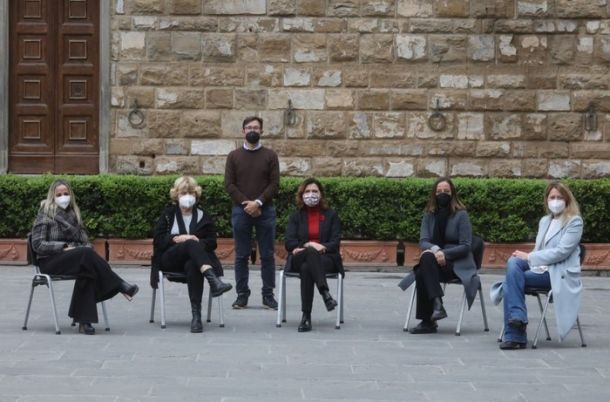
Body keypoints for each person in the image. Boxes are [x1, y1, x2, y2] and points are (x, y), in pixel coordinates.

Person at [31, 179, 139, 335]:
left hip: (77, 259)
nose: (63, 197)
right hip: (50, 261)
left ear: (71, 195)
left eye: (66, 193)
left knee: (87, 268)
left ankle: (84, 322)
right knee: (85, 255)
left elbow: (86, 243)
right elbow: (38, 244)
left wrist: (77, 249)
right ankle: (119, 285)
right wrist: (64, 247)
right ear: (52, 197)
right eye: (59, 194)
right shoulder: (45, 215)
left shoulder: (74, 215)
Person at [499, 181, 583, 350]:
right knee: (513, 262)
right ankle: (517, 318)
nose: (555, 201)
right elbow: (540, 249)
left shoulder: (574, 222)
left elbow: (561, 252)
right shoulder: (545, 221)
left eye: (560, 197)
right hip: (539, 268)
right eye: (552, 197)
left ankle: (515, 335)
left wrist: (529, 257)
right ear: (546, 200)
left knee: (511, 282)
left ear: (567, 200)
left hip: (557, 273)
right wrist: (528, 257)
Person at [152, 176, 232, 333]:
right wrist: (176, 238)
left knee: (193, 265)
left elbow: (212, 242)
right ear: (176, 195)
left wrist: (198, 241)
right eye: (183, 193)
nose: (187, 196)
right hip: (171, 259)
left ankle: (196, 317)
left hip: (195, 263)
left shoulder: (203, 215)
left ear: (196, 195)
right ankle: (213, 280)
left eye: (191, 193)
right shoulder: (168, 214)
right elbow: (158, 240)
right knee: (189, 242)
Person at [398, 177, 479, 334]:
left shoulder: (461, 215)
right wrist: (436, 250)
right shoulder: (429, 215)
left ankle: (428, 320)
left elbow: (466, 246)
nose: (442, 194)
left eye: (446, 191)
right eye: (439, 191)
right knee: (426, 260)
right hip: (433, 262)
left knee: (422, 269)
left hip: (456, 265)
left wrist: (444, 253)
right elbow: (423, 241)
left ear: (452, 193)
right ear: (434, 194)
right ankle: (437, 305)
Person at [225, 116, 280, 310]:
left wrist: (258, 203)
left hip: (266, 210)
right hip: (240, 211)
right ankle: (242, 295)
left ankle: (268, 296)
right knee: (241, 255)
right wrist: (246, 204)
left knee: (267, 255)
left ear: (261, 131)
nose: (252, 130)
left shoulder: (270, 156)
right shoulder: (233, 156)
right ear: (243, 131)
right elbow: (229, 184)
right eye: (249, 127)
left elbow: (275, 184)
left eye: (256, 128)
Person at [284, 178, 344, 332]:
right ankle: (325, 293)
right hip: (299, 257)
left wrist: (322, 247)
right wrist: (308, 245)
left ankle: (306, 317)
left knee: (307, 268)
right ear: (302, 195)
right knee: (309, 253)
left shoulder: (331, 215)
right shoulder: (296, 216)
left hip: (326, 258)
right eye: (307, 191)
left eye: (315, 191)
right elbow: (289, 242)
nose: (311, 194)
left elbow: (335, 242)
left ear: (321, 194)